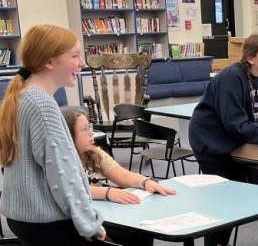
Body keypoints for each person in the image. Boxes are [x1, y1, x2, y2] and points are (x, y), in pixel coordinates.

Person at [189, 33, 258, 246]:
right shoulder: (232, 78)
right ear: (250, 58)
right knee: (224, 201)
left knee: (235, 198)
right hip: (211, 143)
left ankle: (220, 241)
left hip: (236, 143)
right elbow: (235, 123)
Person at [0, 25, 105, 245]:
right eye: (75, 55)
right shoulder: (42, 105)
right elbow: (63, 174)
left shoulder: (22, 96)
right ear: (49, 62)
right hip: (47, 224)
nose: (82, 63)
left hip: (23, 219)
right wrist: (89, 223)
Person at [63, 108, 177, 246]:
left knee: (141, 230)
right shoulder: (61, 160)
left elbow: (122, 175)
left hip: (99, 213)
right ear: (69, 134)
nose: (91, 133)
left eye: (90, 128)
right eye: (85, 129)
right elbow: (71, 190)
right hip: (78, 221)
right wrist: (108, 192)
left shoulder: (93, 152)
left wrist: (145, 182)